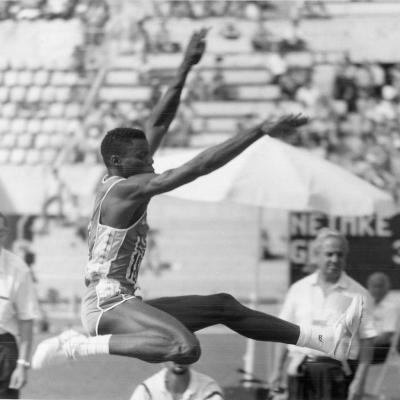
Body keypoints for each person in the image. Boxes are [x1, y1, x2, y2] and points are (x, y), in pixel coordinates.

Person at [32, 30, 363, 372]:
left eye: (149, 155)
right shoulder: (124, 190)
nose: (151, 162)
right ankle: (78, 347)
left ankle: (324, 340)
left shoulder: (124, 179)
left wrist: (185, 68)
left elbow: (159, 121)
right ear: (117, 162)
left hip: (120, 299)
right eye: (143, 158)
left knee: (222, 306)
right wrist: (259, 130)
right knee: (185, 347)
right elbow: (197, 168)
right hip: (106, 304)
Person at [269, 228, 377, 400]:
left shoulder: (359, 294)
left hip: (338, 375)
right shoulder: (299, 289)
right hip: (300, 372)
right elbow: (283, 333)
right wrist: (276, 371)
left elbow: (367, 340)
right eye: (329, 254)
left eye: (340, 255)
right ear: (317, 256)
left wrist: (360, 381)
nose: (334, 260)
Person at [0, 213, 40, 398]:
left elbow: (26, 320)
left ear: (5, 233)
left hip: (3, 347)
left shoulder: (18, 270)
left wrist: (22, 365)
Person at [130, 361, 223, 400]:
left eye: (184, 354)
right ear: (163, 358)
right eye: (174, 353)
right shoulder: (146, 390)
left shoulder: (208, 388)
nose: (179, 359)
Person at [367, 272, 399, 364]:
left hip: (382, 348)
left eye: (380, 286)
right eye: (374, 286)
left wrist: (364, 344)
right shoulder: (367, 304)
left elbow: (386, 337)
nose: (377, 289)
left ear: (387, 287)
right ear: (369, 287)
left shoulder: (392, 307)